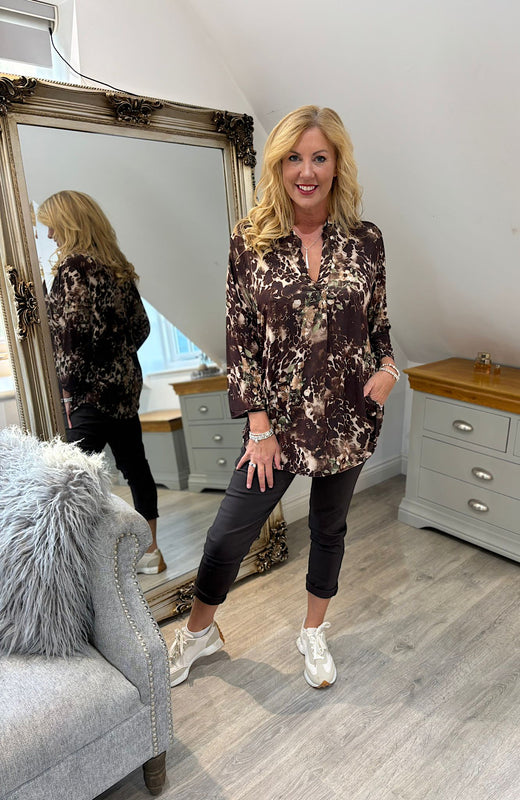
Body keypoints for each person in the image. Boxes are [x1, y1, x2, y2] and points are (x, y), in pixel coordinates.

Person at [169, 105, 399, 689]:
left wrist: (389, 369)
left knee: (328, 530)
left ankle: (313, 632)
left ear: (337, 164)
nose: (306, 171)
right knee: (228, 535)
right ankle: (197, 634)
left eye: (319, 157)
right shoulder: (250, 243)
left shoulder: (366, 241)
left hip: (348, 418)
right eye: (294, 158)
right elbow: (241, 340)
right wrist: (260, 427)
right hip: (277, 426)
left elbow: (378, 324)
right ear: (277, 165)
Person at [37, 190, 165, 574]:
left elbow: (72, 336)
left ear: (69, 223)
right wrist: (117, 358)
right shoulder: (116, 267)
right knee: (135, 467)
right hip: (123, 390)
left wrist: (68, 386)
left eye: (51, 226)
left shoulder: (74, 268)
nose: (49, 235)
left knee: (69, 481)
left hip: (89, 394)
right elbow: (141, 328)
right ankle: (151, 552)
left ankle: (76, 567)